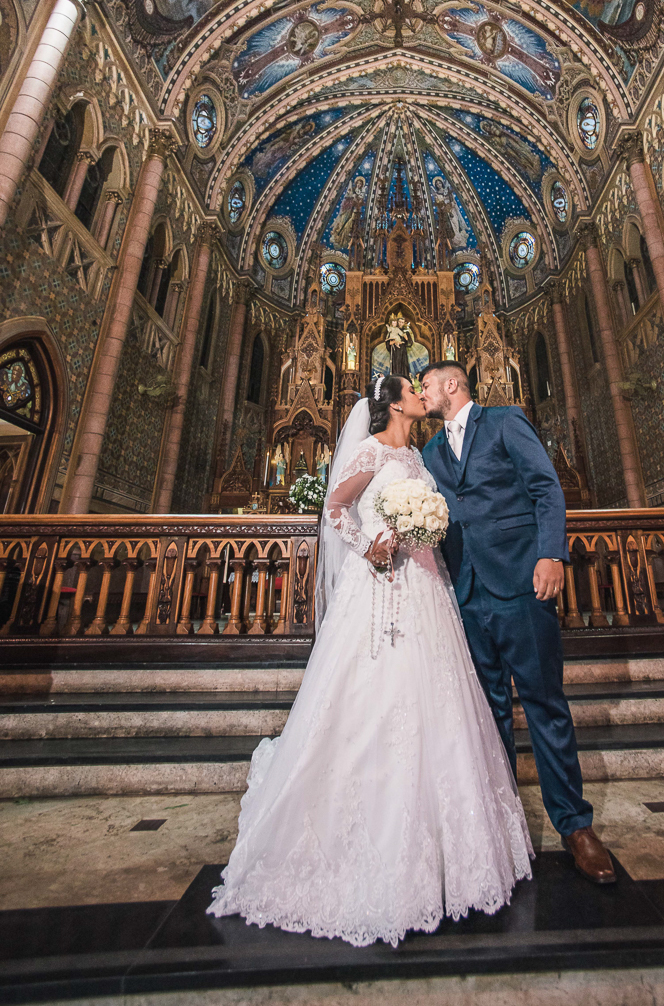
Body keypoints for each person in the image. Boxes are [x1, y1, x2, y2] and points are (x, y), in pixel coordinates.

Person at [208, 374, 533, 945]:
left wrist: (422, 527)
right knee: (373, 700)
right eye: (414, 390)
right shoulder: (370, 449)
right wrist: (368, 545)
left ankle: (448, 853)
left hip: (429, 586)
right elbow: (337, 508)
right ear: (393, 403)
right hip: (381, 585)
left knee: (440, 704)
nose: (421, 397)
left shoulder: (419, 452)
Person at [420, 361, 616, 886]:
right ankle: (503, 826)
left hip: (521, 584)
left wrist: (551, 554)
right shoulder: (430, 453)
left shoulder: (505, 421)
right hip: (465, 594)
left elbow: (546, 490)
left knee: (545, 704)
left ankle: (576, 828)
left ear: (452, 384)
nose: (421, 390)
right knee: (488, 717)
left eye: (427, 382)